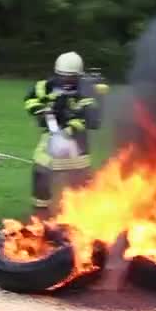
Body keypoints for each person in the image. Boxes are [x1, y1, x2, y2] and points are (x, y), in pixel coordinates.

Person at [23, 51, 98, 217]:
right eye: (63, 77)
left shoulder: (86, 92)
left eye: (71, 78)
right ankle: (40, 215)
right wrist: (41, 111)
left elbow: (90, 119)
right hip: (50, 138)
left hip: (77, 145)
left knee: (78, 182)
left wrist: (69, 129)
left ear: (78, 76)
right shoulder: (45, 86)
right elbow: (30, 100)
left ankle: (77, 218)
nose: (66, 81)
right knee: (41, 172)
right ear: (57, 73)